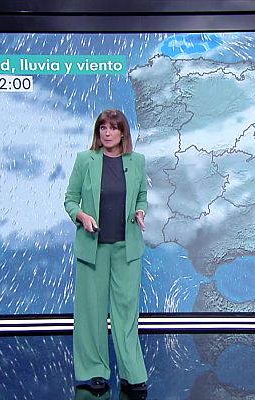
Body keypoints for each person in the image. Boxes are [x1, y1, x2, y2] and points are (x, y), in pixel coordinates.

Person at [64, 109, 148, 396]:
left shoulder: (137, 162)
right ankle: (94, 372)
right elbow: (70, 199)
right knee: (91, 313)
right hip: (93, 249)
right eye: (102, 128)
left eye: (113, 128)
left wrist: (140, 210)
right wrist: (81, 216)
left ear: (123, 132)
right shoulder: (84, 161)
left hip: (126, 249)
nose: (107, 132)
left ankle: (132, 373)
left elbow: (142, 196)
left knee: (126, 313)